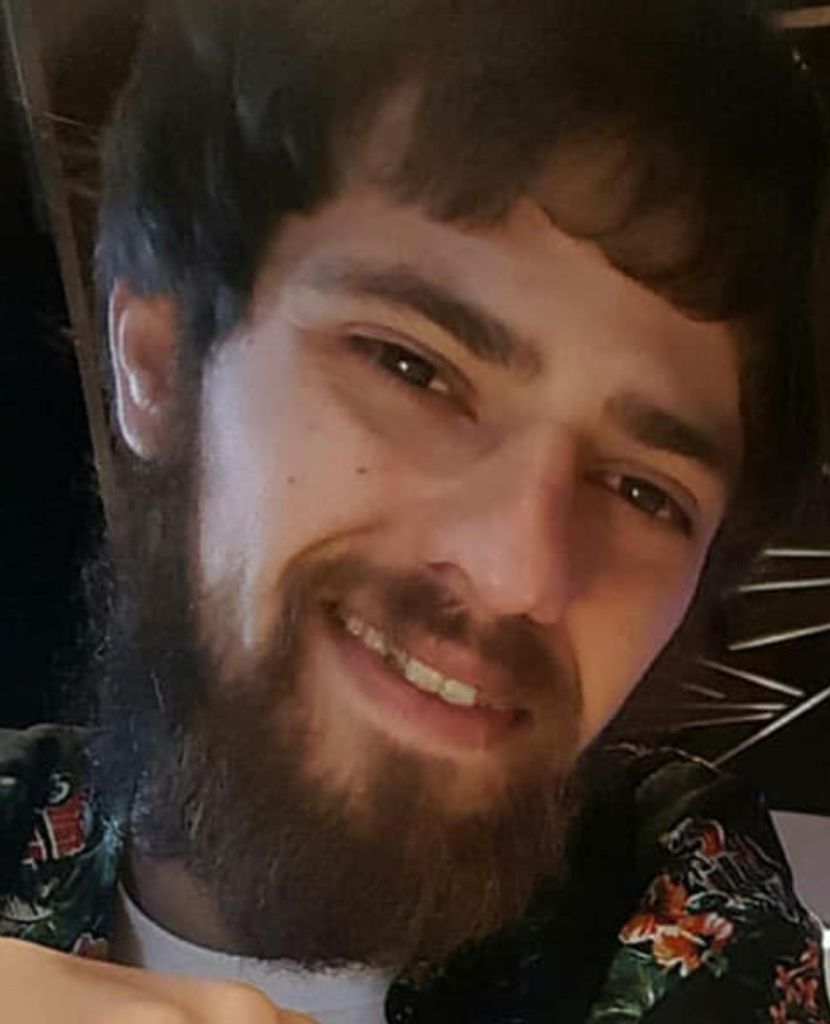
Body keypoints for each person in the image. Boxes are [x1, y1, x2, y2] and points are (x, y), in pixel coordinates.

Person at [1, 0, 828, 1020]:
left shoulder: (693, 916)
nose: (518, 573)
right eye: (411, 367)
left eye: (642, 491)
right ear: (161, 366)